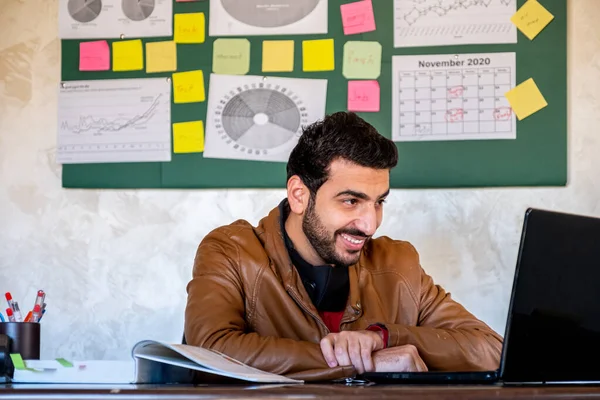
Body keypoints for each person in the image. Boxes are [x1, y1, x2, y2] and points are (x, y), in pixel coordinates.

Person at [185, 111, 502, 381]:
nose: (370, 224)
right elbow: (211, 351)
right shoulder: (231, 251)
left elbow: (491, 349)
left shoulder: (399, 262)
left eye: (379, 202)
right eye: (351, 200)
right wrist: (364, 364)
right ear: (299, 195)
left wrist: (384, 338)